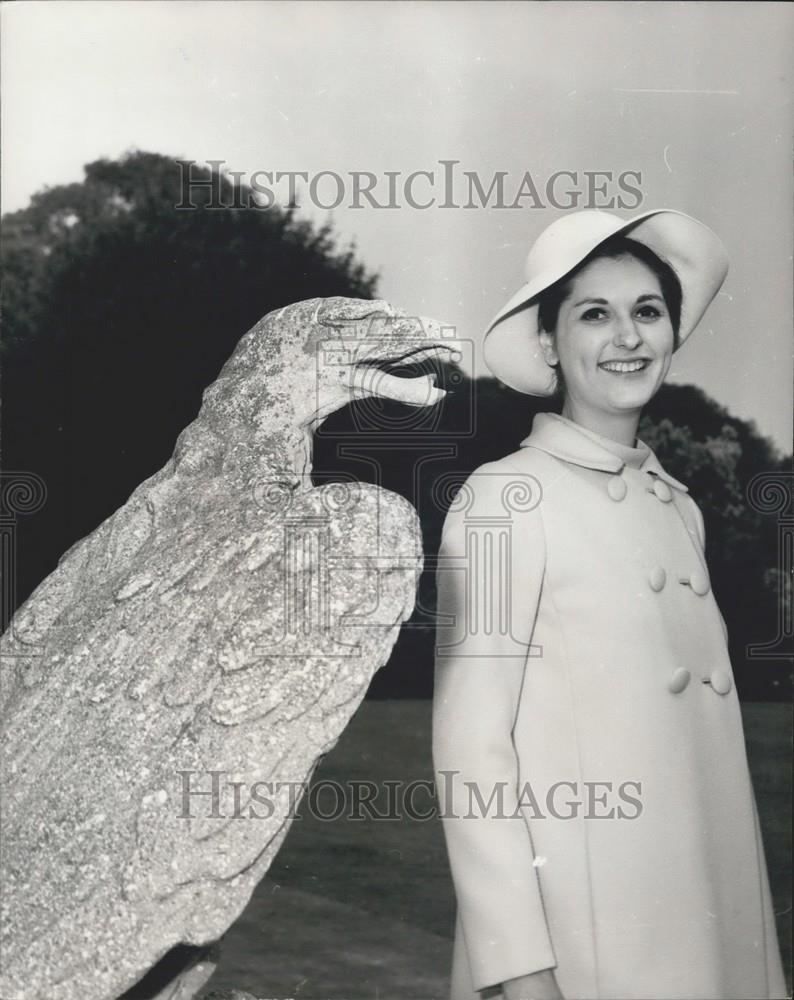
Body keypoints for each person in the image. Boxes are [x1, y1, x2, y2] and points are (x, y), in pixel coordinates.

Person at [432, 209, 787, 1000]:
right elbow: (470, 752)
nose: (627, 336)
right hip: (583, 948)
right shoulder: (502, 502)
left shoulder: (678, 510)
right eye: (595, 313)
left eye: (647, 311)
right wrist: (520, 972)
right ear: (550, 343)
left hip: (709, 934)